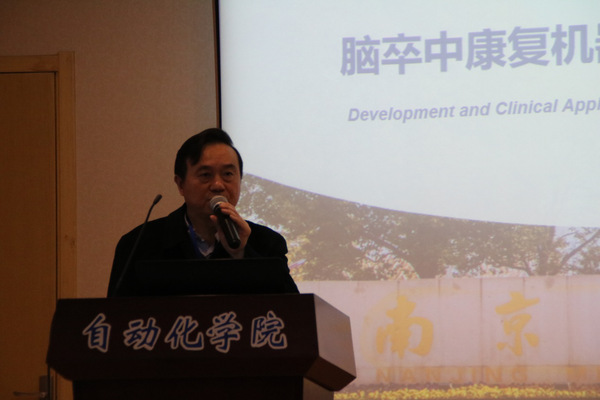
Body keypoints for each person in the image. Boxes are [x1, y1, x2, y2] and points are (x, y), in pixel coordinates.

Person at [107, 128, 299, 296]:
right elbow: (116, 316)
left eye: (228, 174)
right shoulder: (139, 243)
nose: (218, 185)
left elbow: (293, 313)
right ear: (180, 184)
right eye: (205, 175)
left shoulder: (267, 243)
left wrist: (241, 253)